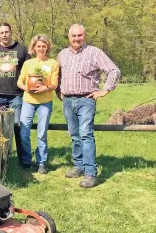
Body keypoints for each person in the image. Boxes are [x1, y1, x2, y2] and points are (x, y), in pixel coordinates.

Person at [57, 24, 121, 188]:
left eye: (80, 35)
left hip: (86, 100)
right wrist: (59, 91)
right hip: (68, 100)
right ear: (68, 37)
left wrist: (105, 90)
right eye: (74, 36)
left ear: (84, 36)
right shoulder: (62, 55)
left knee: (85, 134)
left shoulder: (94, 52)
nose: (77, 39)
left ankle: (90, 173)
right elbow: (56, 75)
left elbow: (114, 70)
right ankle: (78, 166)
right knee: (74, 135)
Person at [0, 22, 30, 167]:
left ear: (11, 32)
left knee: (18, 127)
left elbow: (28, 70)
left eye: (7, 32)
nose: (4, 35)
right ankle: (1, 160)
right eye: (2, 32)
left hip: (16, 95)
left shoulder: (21, 49)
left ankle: (25, 161)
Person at [17, 35, 59, 174]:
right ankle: (27, 161)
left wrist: (45, 88)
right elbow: (20, 82)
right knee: (24, 132)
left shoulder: (53, 63)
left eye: (43, 46)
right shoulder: (28, 63)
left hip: (45, 102)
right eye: (38, 46)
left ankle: (42, 162)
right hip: (28, 101)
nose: (41, 49)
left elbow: (54, 84)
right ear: (34, 47)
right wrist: (26, 88)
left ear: (47, 47)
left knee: (42, 134)